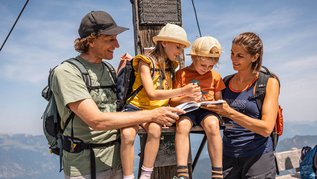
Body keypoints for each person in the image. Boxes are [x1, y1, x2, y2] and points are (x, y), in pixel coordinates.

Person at [51, 11, 184, 179]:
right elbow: (96, 121)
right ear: (91, 40)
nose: (117, 45)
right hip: (86, 168)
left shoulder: (108, 70)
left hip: (117, 164)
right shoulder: (67, 72)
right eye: (110, 39)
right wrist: (154, 114)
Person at [120, 23, 202, 179]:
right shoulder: (145, 62)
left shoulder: (172, 66)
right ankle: (128, 176)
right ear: (164, 43)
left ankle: (145, 174)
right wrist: (184, 90)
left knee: (155, 131)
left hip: (157, 110)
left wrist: (189, 97)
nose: (180, 52)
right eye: (178, 47)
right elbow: (151, 93)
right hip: (136, 107)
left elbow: (168, 96)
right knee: (127, 135)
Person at [205, 32, 280, 179]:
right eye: (232, 53)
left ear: (254, 56)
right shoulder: (225, 82)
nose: (233, 59)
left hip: (258, 158)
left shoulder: (268, 82)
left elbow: (266, 128)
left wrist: (230, 113)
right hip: (227, 156)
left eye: (240, 55)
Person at [170, 36, 225, 179]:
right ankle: (182, 172)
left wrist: (217, 105)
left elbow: (219, 100)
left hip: (207, 110)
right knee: (182, 126)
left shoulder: (215, 76)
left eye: (210, 66)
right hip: (187, 109)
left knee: (213, 125)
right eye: (203, 65)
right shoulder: (181, 74)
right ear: (194, 58)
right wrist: (187, 97)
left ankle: (218, 172)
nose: (206, 69)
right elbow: (173, 101)